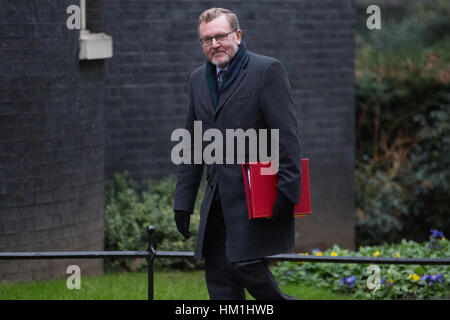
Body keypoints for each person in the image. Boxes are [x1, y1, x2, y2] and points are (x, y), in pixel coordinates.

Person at [173, 8, 302, 300]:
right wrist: (183, 202)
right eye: (207, 39)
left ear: (238, 36)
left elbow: (287, 138)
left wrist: (287, 193)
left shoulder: (266, 71)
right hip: (217, 199)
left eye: (221, 36)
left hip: (255, 196)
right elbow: (193, 144)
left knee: (244, 265)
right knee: (220, 279)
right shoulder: (197, 80)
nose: (214, 44)